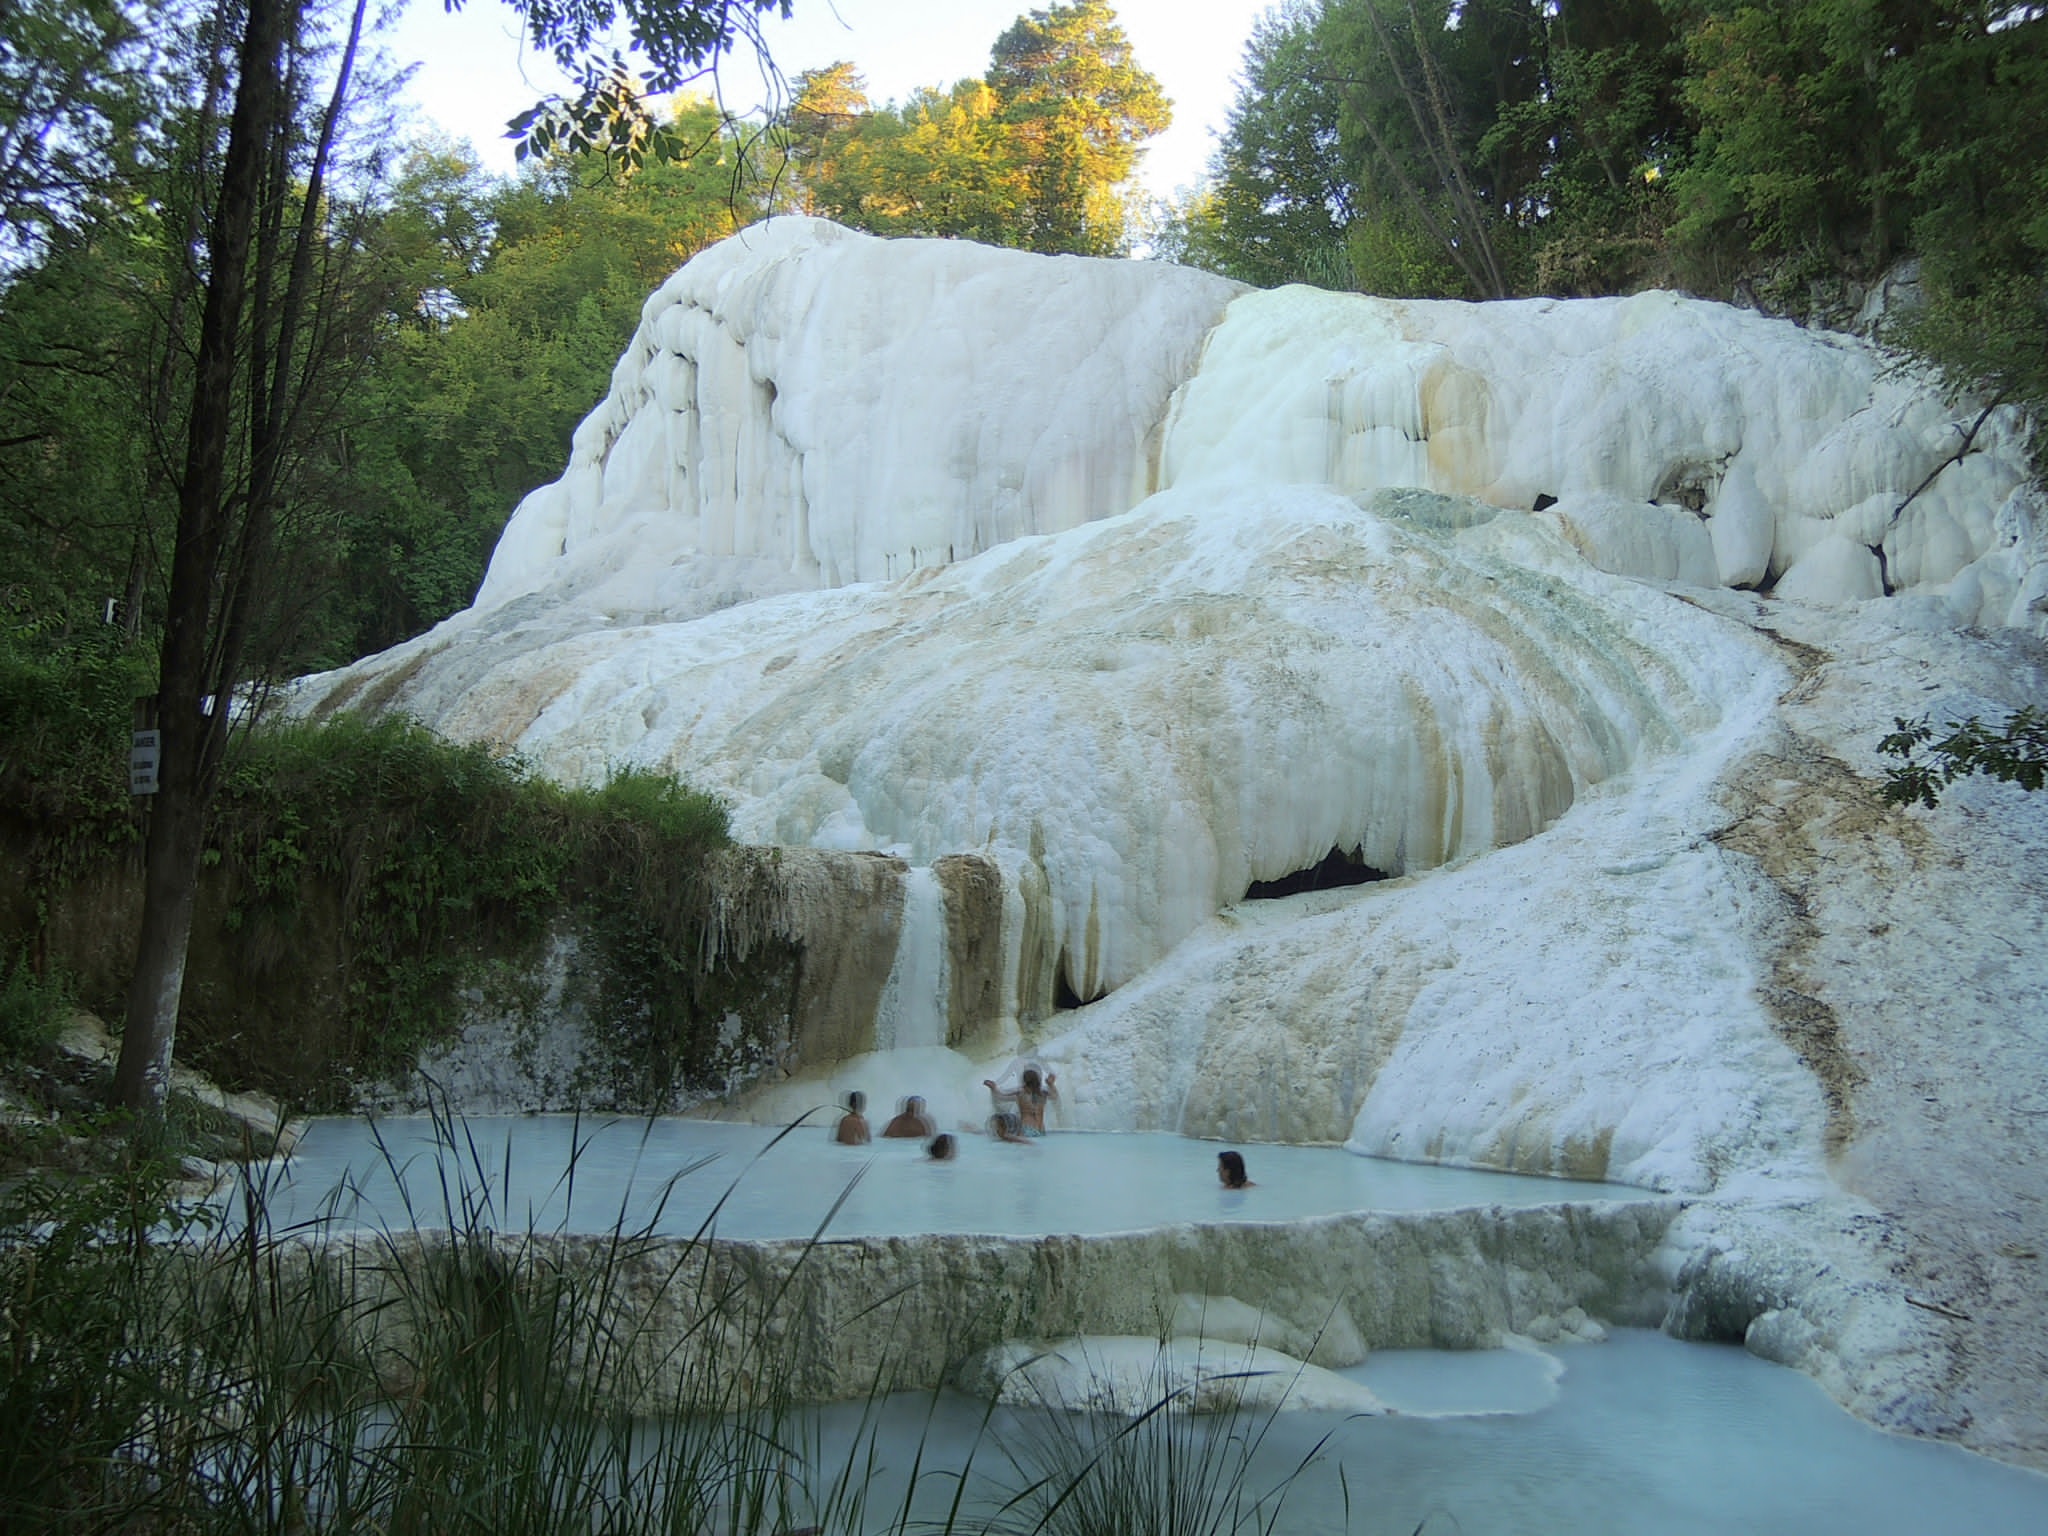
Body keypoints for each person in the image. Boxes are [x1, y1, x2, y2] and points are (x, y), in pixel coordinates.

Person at [983, 1065, 1058, 1135]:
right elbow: (1055, 1096)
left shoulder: (1020, 1092)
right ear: (1038, 1080)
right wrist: (1051, 1084)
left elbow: (1001, 1095)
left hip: (1026, 1129)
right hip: (1041, 1130)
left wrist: (993, 1088)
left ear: (1024, 1081)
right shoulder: (1043, 1093)